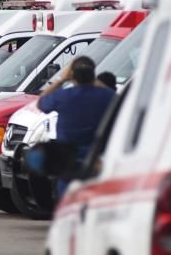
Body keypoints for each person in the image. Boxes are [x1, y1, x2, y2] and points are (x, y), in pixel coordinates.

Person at [37, 56, 115, 198]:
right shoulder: (106, 96)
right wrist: (94, 80)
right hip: (96, 160)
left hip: (68, 163)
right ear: (93, 73)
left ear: (72, 75)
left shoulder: (63, 96)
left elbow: (41, 102)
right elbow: (117, 99)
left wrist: (61, 79)